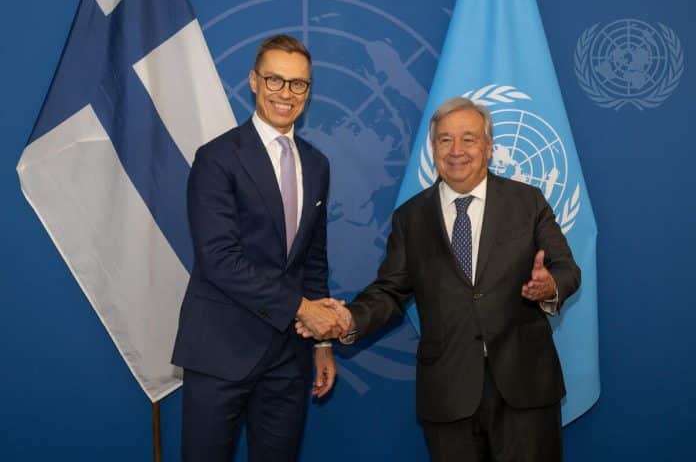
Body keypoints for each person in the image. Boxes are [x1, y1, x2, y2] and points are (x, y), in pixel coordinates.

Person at [298, 97, 581, 461]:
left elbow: (567, 269)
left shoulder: (528, 201)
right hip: (448, 393)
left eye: (469, 139)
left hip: (525, 387)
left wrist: (549, 286)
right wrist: (349, 319)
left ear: (489, 147)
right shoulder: (411, 218)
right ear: (432, 149)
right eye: (445, 140)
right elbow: (389, 292)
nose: (457, 150)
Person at [172, 34, 347, 461]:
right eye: (274, 80)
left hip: (289, 356)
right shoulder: (217, 158)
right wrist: (303, 309)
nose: (286, 94)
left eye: (298, 84)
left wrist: (321, 344)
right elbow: (219, 261)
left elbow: (313, 257)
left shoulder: (317, 164)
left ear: (308, 90)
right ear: (253, 81)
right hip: (220, 352)